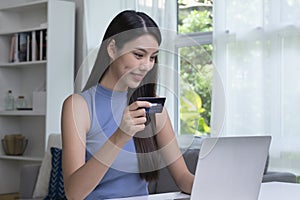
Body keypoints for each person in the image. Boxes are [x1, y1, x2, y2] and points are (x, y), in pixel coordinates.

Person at [61, 10, 194, 200]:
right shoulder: (78, 106)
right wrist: (119, 137)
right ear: (112, 49)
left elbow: (182, 178)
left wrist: (213, 185)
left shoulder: (153, 109)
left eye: (152, 57)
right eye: (139, 55)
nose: (146, 65)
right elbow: (74, 193)